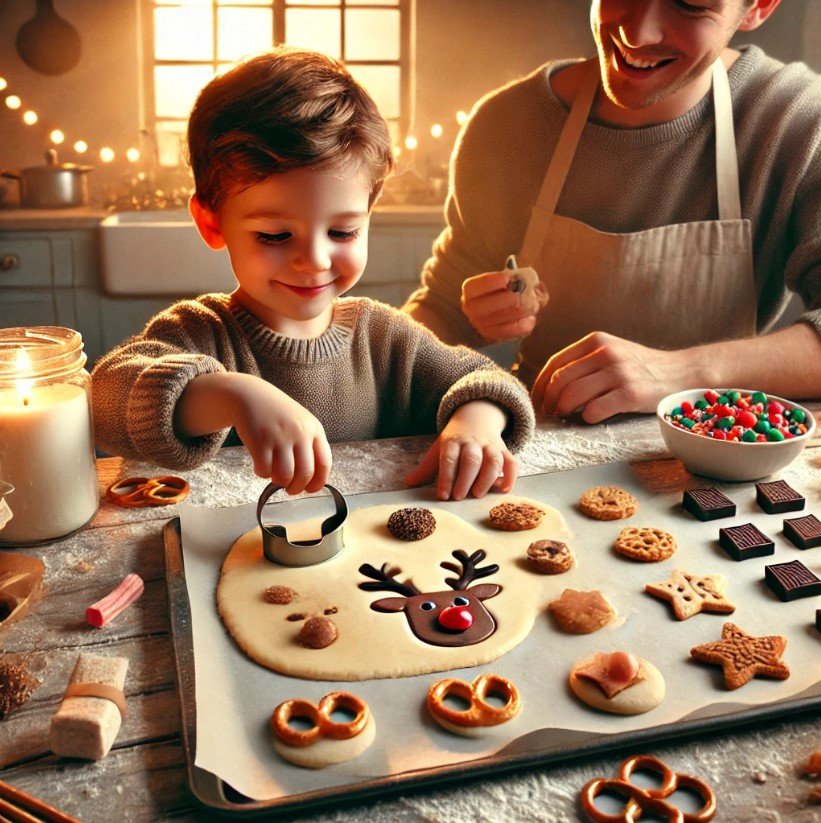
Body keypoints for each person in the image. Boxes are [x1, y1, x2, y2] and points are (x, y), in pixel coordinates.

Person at [91, 47, 534, 501]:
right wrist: (233, 394)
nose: (315, 260)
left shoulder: (384, 338)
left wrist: (476, 420)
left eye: (342, 231)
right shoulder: (202, 335)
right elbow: (106, 399)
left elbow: (484, 378)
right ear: (211, 223)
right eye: (276, 236)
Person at [403, 0, 821, 424]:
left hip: (727, 447)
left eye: (690, 5)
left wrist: (680, 373)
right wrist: (471, 319)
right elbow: (439, 310)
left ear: (758, 8)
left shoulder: (796, 122)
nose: (637, 34)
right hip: (538, 445)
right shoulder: (509, 124)